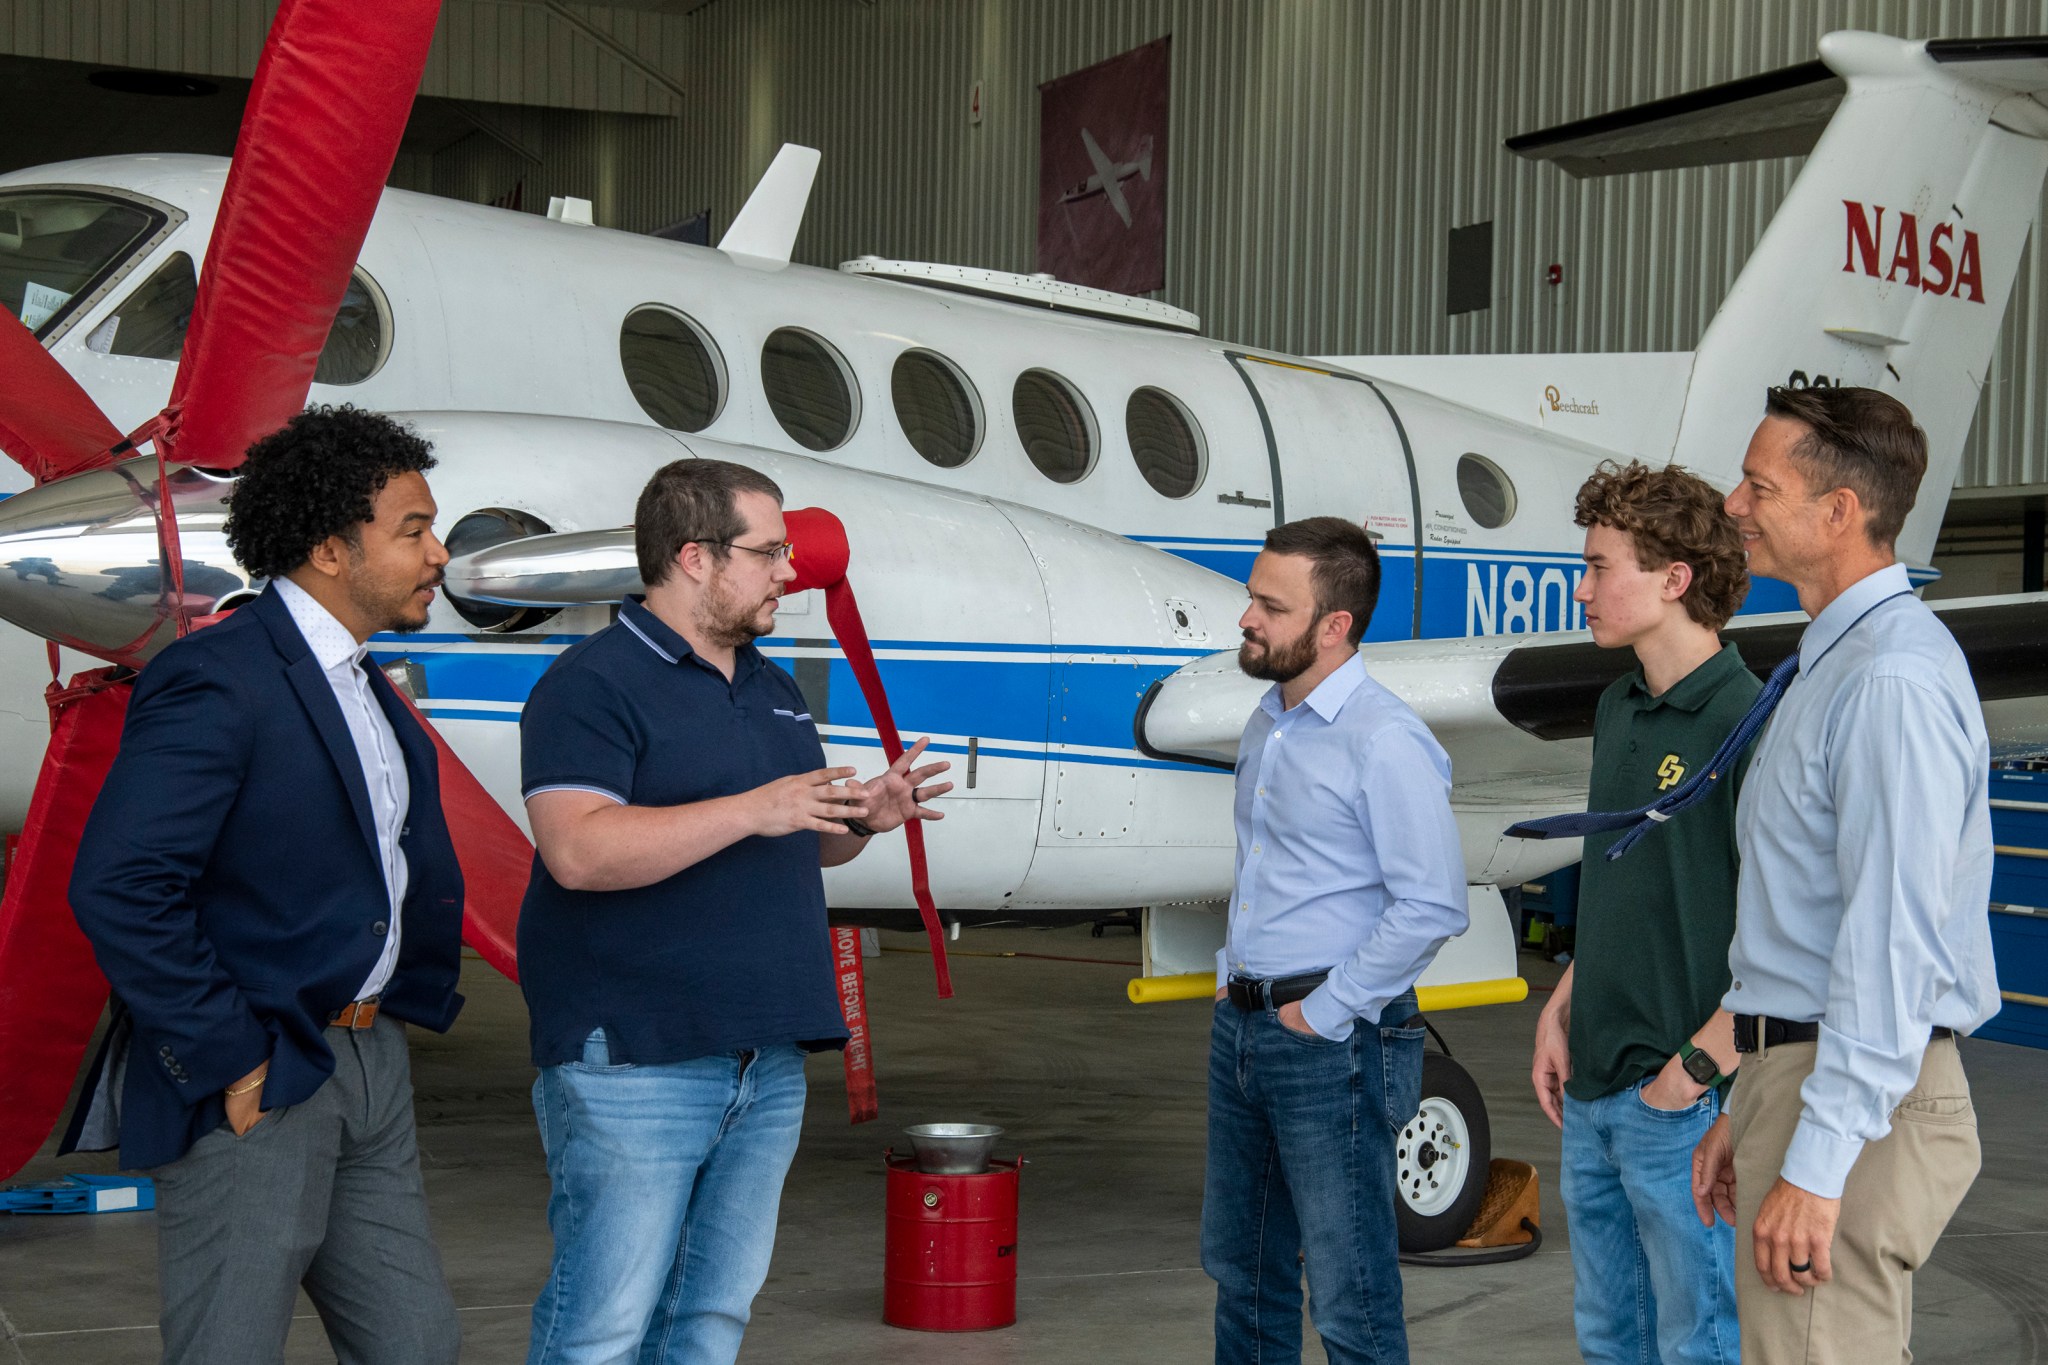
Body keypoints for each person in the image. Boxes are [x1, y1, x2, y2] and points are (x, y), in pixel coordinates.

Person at [517, 458, 950, 1365]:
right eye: (771, 552)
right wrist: (759, 805)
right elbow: (579, 850)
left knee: (710, 1320)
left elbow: (800, 837)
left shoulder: (770, 683)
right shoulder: (591, 683)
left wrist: (863, 818)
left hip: (766, 1055)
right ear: (694, 558)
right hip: (638, 1058)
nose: (791, 572)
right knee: (602, 1327)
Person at [64, 405, 464, 1364]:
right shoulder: (219, 676)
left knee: (418, 1343)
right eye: (412, 530)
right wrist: (232, 1057)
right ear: (330, 548)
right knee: (228, 1346)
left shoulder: (363, 686)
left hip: (371, 1060)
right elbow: (120, 883)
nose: (440, 552)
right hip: (264, 1063)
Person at [1690, 386, 1998, 1363]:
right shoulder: (1839, 663)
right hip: (1810, 1071)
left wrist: (1816, 1162)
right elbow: (1804, 925)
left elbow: (1888, 942)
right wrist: (1754, 1102)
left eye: (1755, 485)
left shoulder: (1884, 682)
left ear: (1837, 512)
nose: (1732, 506)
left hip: (1854, 1085)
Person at [1202, 516, 1468, 1365]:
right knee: (1242, 1272)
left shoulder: (1386, 739)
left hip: (1331, 1039)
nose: (1247, 617)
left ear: (1335, 625)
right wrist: (1229, 974)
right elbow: (1265, 867)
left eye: (1270, 606)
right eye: (1251, 595)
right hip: (1246, 1027)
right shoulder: (1267, 721)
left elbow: (1432, 904)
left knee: (1351, 1293)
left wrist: (1325, 1010)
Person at [1529, 461, 1755, 1365]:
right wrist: (1565, 999)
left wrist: (1694, 1072)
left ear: (1674, 579)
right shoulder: (1618, 704)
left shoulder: (1746, 720)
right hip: (1592, 1092)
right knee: (1609, 1340)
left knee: (1698, 1341)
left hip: (1682, 1104)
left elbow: (1791, 932)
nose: (1580, 590)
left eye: (1598, 566)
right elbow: (1635, 876)